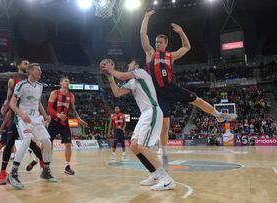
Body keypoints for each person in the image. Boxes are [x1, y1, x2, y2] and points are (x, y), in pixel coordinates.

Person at [140, 10, 237, 170]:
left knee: (197, 100)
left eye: (160, 42)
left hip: (172, 88)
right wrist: (146, 17)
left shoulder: (171, 55)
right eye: (156, 42)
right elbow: (143, 34)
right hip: (158, 93)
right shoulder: (150, 53)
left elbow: (187, 46)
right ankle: (163, 153)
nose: (157, 44)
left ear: (165, 44)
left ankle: (219, 115)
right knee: (165, 125)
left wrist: (181, 32)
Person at [101, 58, 175, 190]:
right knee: (134, 145)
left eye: (130, 63)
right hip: (144, 114)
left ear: (136, 65)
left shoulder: (141, 72)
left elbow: (122, 75)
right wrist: (110, 77)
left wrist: (111, 70)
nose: (128, 65)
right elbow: (117, 93)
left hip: (152, 111)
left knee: (143, 146)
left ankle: (166, 179)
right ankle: (155, 174)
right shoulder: (132, 82)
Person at [0, 59, 44, 185]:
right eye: (25, 63)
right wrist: (5, 104)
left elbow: (38, 102)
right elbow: (8, 96)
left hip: (30, 117)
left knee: (32, 144)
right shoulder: (14, 80)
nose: (27, 66)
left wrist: (45, 115)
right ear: (19, 66)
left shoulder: (31, 80)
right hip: (16, 115)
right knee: (10, 142)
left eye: (29, 64)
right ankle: (2, 173)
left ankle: (43, 163)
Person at [7, 63, 56, 189]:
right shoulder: (21, 85)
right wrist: (22, 115)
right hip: (23, 119)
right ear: (30, 71)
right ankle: (13, 174)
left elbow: (38, 102)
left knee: (47, 142)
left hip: (36, 119)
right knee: (27, 140)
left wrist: (45, 115)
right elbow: (12, 103)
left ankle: (46, 171)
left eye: (40, 70)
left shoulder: (40, 86)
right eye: (38, 70)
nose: (40, 72)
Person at [37, 77, 88, 175]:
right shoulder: (54, 93)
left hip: (64, 123)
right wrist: (58, 114)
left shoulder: (71, 96)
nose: (67, 83)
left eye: (68, 82)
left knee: (68, 144)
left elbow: (73, 110)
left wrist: (79, 119)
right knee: (46, 143)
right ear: (60, 83)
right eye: (65, 81)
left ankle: (67, 166)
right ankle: (38, 159)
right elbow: (49, 108)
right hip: (54, 122)